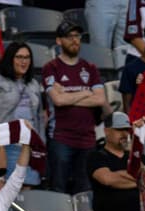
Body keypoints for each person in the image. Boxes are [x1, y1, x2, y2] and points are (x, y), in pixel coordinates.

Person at [42, 21, 106, 195]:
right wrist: (86, 92)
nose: (75, 40)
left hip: (87, 138)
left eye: (77, 36)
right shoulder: (51, 68)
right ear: (59, 41)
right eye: (69, 37)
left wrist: (69, 96)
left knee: (85, 190)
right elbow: (58, 101)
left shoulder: (90, 68)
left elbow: (100, 99)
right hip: (61, 137)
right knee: (58, 188)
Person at [0, 42, 43, 187]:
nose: (24, 61)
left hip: (28, 146)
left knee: (27, 189)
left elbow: (39, 118)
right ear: (10, 59)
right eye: (19, 57)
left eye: (27, 57)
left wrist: (40, 146)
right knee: (4, 190)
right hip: (4, 146)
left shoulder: (33, 84)